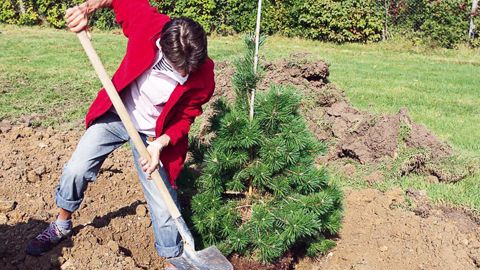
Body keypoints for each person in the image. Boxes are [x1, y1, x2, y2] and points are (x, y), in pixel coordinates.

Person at [25, 0, 215, 267]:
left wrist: (159, 145)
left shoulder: (204, 75)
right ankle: (61, 224)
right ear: (162, 44)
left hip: (153, 135)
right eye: (178, 68)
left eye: (189, 69)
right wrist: (86, 8)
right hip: (118, 112)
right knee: (76, 169)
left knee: (163, 204)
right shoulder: (149, 26)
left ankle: (175, 259)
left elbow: (186, 117)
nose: (185, 73)